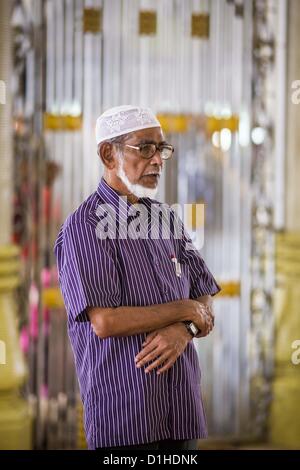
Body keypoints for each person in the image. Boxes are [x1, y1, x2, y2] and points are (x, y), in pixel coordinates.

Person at [54, 105, 221, 450]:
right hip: (127, 419)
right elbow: (104, 321)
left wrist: (184, 329)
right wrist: (185, 310)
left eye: (161, 149)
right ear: (108, 154)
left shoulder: (166, 219)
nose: (157, 160)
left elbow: (203, 294)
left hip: (180, 411)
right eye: (144, 148)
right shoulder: (84, 226)